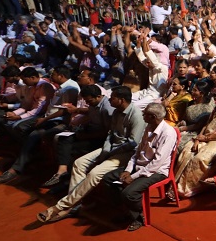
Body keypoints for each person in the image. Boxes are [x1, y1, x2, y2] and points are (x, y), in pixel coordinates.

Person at [37, 86, 145, 223]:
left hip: (125, 154)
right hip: (111, 148)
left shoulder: (136, 115)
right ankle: (75, 205)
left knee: (94, 174)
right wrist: (106, 150)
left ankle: (61, 206)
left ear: (121, 100)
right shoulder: (117, 112)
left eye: (112, 98)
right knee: (79, 163)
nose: (109, 99)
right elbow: (111, 134)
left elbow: (133, 143)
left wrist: (110, 152)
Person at [103, 102, 177, 231]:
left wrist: (133, 176)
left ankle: (138, 217)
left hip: (156, 171)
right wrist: (128, 170)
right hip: (139, 166)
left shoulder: (168, 133)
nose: (142, 115)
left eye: (145, 114)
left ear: (153, 117)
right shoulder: (149, 127)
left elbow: (157, 163)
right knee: (108, 179)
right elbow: (137, 152)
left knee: (129, 193)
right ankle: (126, 210)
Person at [173, 88, 216, 198]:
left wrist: (205, 138)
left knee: (200, 158)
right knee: (187, 151)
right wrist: (197, 139)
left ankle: (192, 187)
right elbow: (206, 125)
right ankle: (177, 184)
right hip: (207, 136)